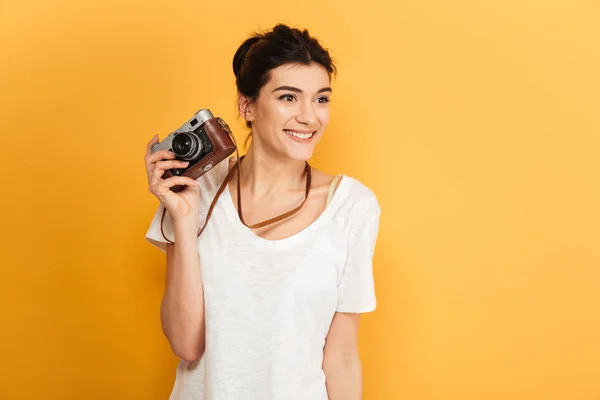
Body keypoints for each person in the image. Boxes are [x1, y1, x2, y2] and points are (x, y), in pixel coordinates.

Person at [143, 23, 381, 400]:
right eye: (289, 98)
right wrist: (183, 219)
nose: (310, 117)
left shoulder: (352, 208)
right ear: (247, 105)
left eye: (321, 99)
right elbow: (187, 345)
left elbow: (342, 359)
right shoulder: (196, 188)